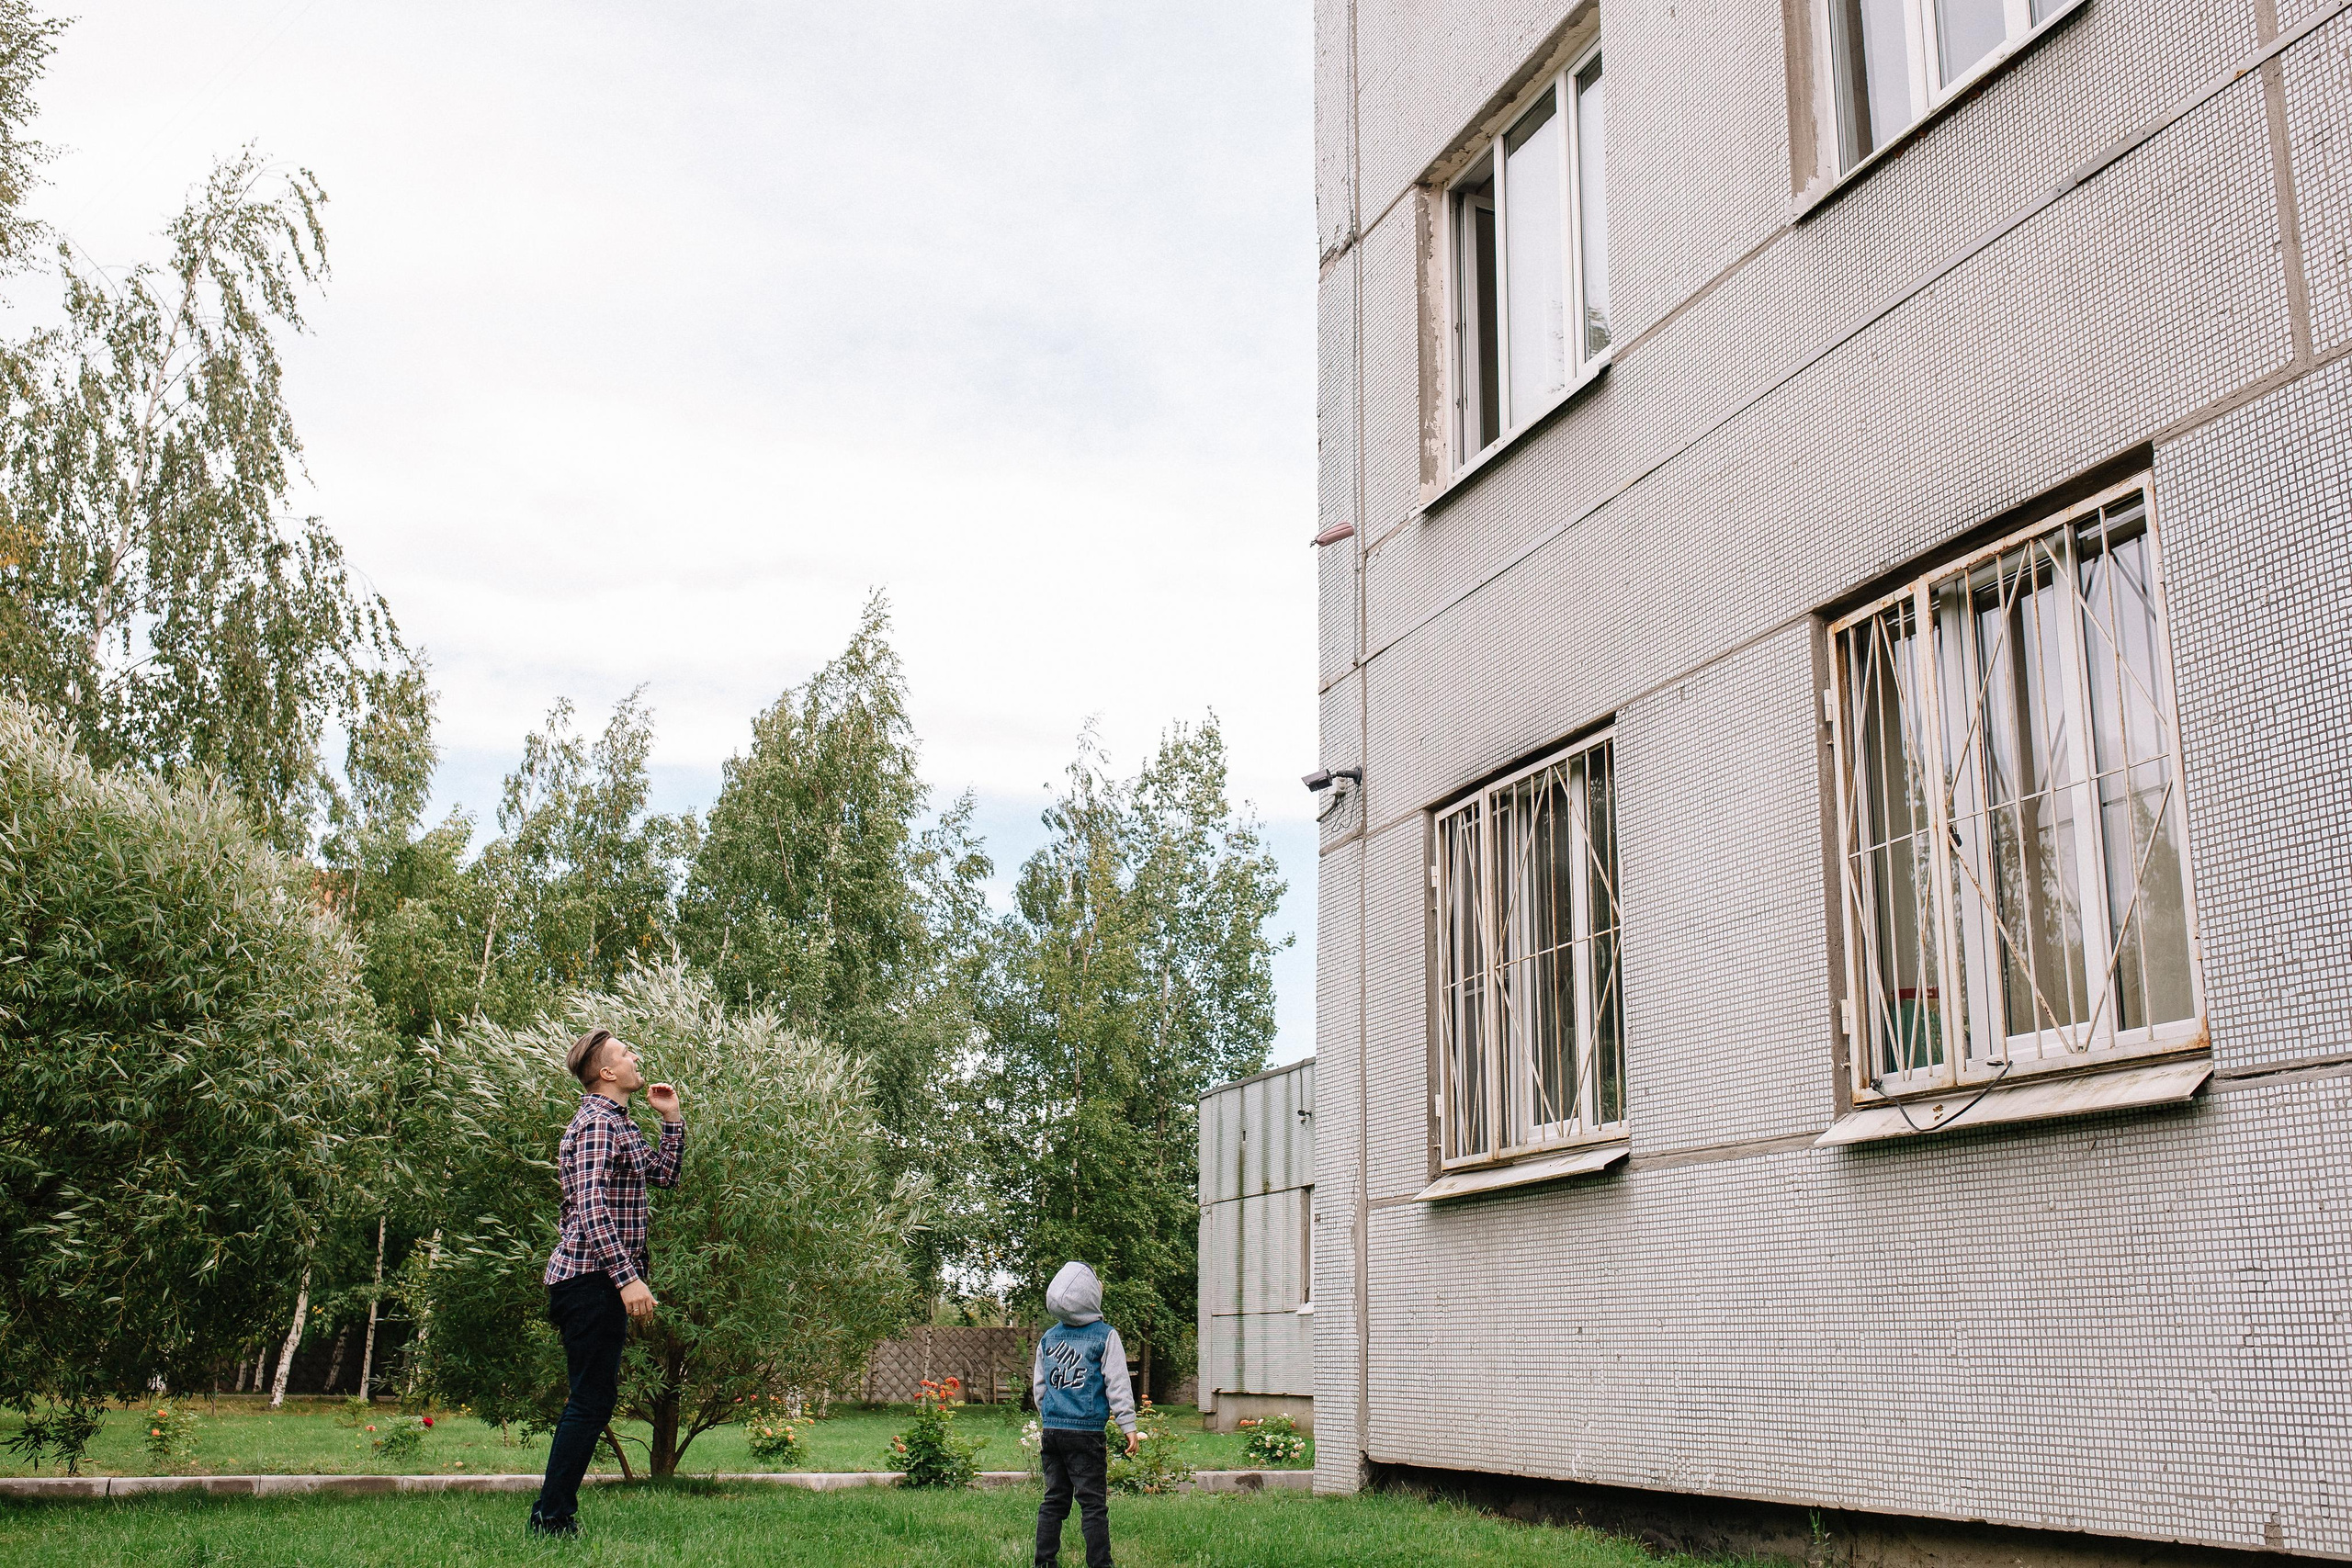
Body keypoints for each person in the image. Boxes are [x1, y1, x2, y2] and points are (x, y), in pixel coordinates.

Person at [527, 1028, 684, 1538]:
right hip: (591, 1278)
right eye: (625, 1053)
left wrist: (672, 1120)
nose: (637, 1057)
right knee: (590, 1401)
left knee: (591, 1399)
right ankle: (553, 1519)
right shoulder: (597, 1124)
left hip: (596, 1279)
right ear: (606, 1073)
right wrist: (627, 1278)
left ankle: (550, 1514)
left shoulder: (619, 1124)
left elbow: (662, 1175)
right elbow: (592, 1207)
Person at [1032, 1261, 1139, 1568]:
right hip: (1086, 1433)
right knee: (1093, 1505)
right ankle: (1100, 1564)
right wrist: (1127, 1424)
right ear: (1091, 1296)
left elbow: (1039, 1388)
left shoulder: (1048, 1339)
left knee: (1054, 1501)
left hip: (1052, 1432)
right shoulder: (1105, 1336)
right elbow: (1117, 1383)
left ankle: (1044, 1562)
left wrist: (1049, 1417)